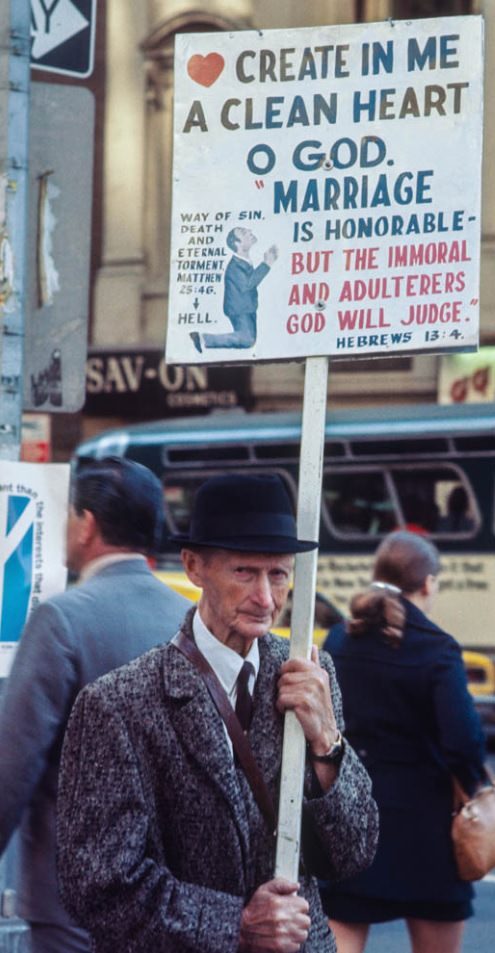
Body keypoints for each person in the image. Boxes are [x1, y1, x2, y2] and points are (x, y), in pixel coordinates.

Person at [56, 473, 379, 953]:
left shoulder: (311, 673)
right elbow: (99, 885)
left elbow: (352, 853)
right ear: (193, 567)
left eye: (279, 575)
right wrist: (238, 925)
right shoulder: (118, 704)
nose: (266, 599)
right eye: (244, 572)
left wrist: (327, 743)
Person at [0, 456, 191, 953]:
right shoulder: (190, 621)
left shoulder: (62, 620)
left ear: (87, 525)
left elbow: (13, 764)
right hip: (170, 893)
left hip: (71, 898)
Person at [320, 530, 486, 953]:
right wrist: (472, 789)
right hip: (427, 832)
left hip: (353, 821)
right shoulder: (438, 650)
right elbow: (463, 742)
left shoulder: (339, 640)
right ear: (428, 583)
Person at [190, 226, 277, 352]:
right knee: (247, 339)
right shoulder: (234, 267)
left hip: (247, 307)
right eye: (243, 232)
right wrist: (266, 264)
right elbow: (249, 284)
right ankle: (203, 338)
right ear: (237, 243)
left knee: (250, 339)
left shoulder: (244, 261)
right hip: (239, 309)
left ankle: (203, 339)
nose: (250, 231)